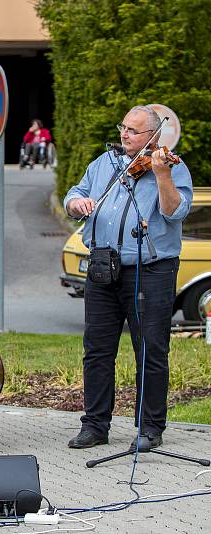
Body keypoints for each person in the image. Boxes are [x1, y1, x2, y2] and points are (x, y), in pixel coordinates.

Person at [64, 105, 193, 451]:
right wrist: (76, 204)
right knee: (97, 350)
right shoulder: (103, 163)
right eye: (123, 127)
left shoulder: (170, 167)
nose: (125, 134)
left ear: (152, 136)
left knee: (150, 349)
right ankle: (95, 425)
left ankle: (150, 428)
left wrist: (162, 175)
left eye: (133, 131)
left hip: (151, 270)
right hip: (104, 265)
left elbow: (175, 211)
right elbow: (74, 193)